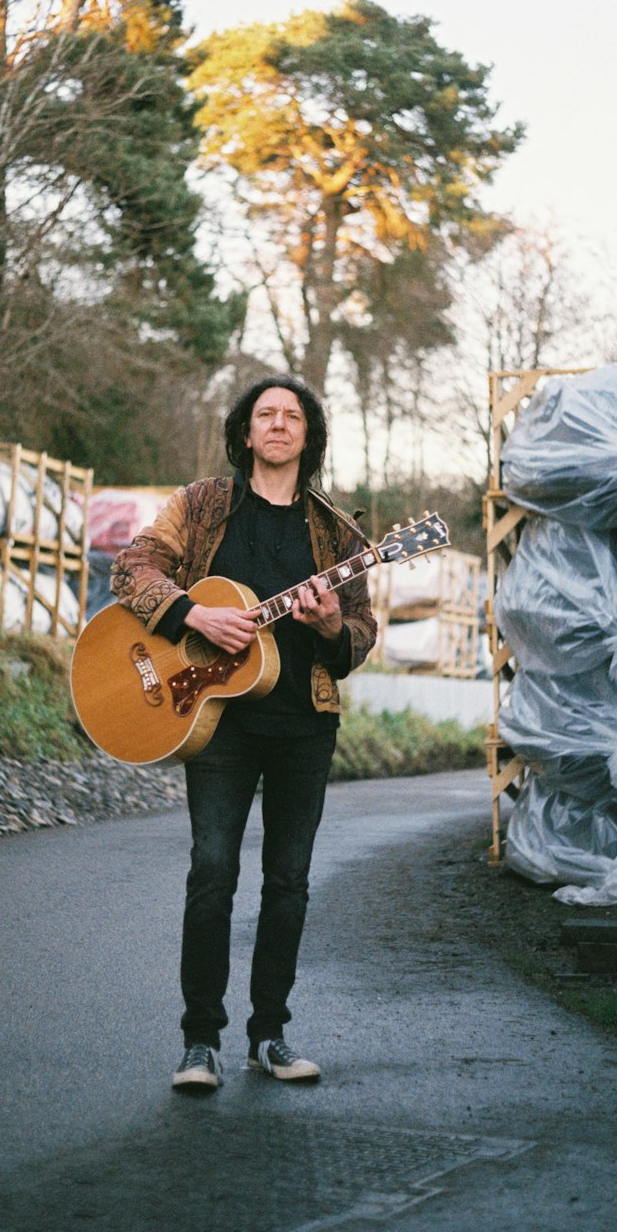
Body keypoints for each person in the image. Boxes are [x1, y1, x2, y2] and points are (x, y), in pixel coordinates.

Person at [111, 375, 377, 1093]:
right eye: (267, 413)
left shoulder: (339, 533)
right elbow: (131, 565)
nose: (280, 424)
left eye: (293, 415)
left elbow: (362, 631)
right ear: (247, 430)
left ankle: (271, 1034)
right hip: (216, 721)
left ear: (308, 434)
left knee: (288, 883)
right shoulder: (201, 506)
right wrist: (190, 614)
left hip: (302, 725)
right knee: (213, 874)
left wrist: (331, 630)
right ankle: (200, 1042)